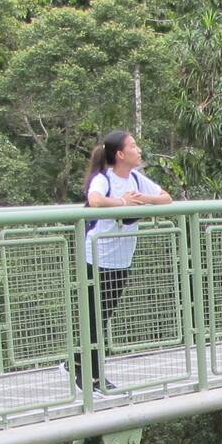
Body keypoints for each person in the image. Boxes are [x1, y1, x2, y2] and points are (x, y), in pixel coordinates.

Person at [76, 130, 172, 391]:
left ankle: (74, 363)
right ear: (120, 154)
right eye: (133, 146)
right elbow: (94, 201)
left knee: (103, 316)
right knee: (93, 318)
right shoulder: (104, 178)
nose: (138, 149)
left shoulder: (137, 179)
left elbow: (167, 197)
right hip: (96, 257)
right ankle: (91, 378)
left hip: (121, 260)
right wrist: (121, 202)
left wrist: (144, 200)